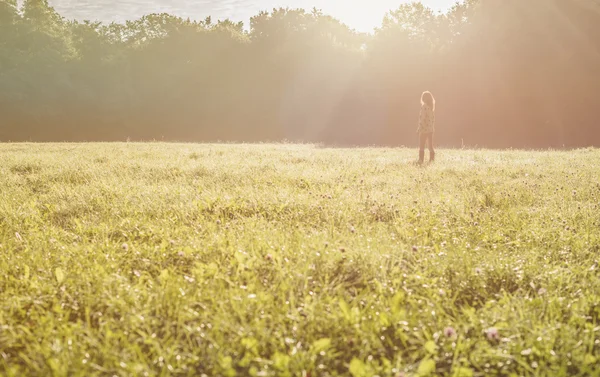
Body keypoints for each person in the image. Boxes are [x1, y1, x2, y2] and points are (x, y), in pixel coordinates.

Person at [417, 91, 436, 164]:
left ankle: (421, 160)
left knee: (421, 145)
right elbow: (432, 119)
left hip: (424, 129)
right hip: (430, 129)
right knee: (430, 145)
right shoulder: (431, 107)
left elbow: (422, 118)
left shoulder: (424, 106)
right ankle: (432, 159)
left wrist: (420, 128)